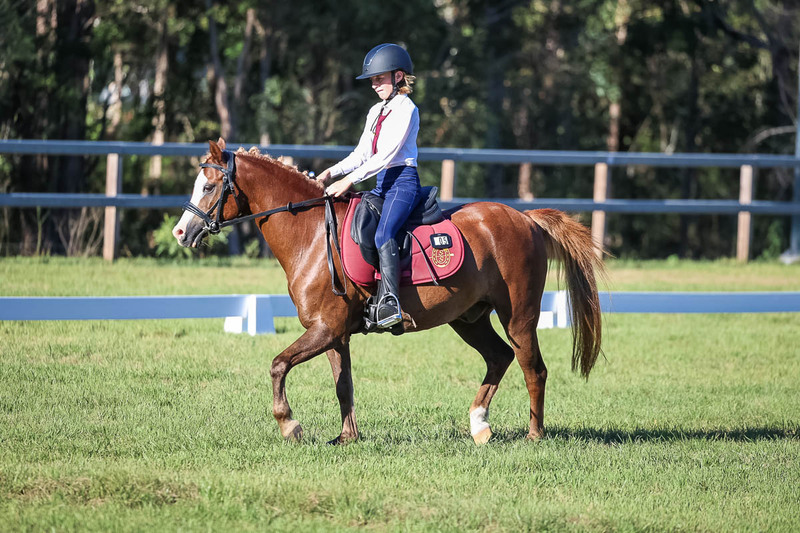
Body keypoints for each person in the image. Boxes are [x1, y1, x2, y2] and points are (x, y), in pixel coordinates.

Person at [317, 43, 422, 329]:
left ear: (398, 76)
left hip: (402, 182)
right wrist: (330, 172)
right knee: (355, 229)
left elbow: (386, 154)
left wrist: (349, 181)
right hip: (381, 184)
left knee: (384, 233)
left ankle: (391, 303)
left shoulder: (406, 109)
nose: (374, 85)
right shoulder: (375, 111)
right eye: (372, 80)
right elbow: (362, 153)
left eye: (379, 78)